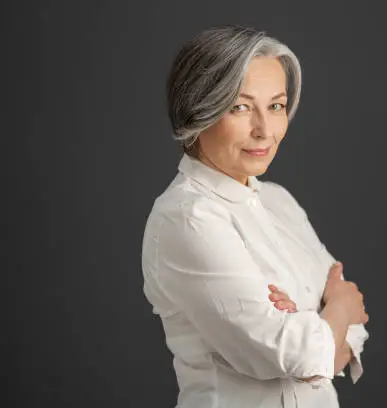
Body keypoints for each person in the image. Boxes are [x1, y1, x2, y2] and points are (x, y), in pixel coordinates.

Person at [141, 25, 369, 408]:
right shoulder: (186, 218)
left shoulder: (279, 202)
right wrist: (337, 307)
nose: (265, 130)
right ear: (198, 109)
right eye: (240, 107)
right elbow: (293, 353)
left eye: (276, 106)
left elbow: (354, 334)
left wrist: (318, 328)